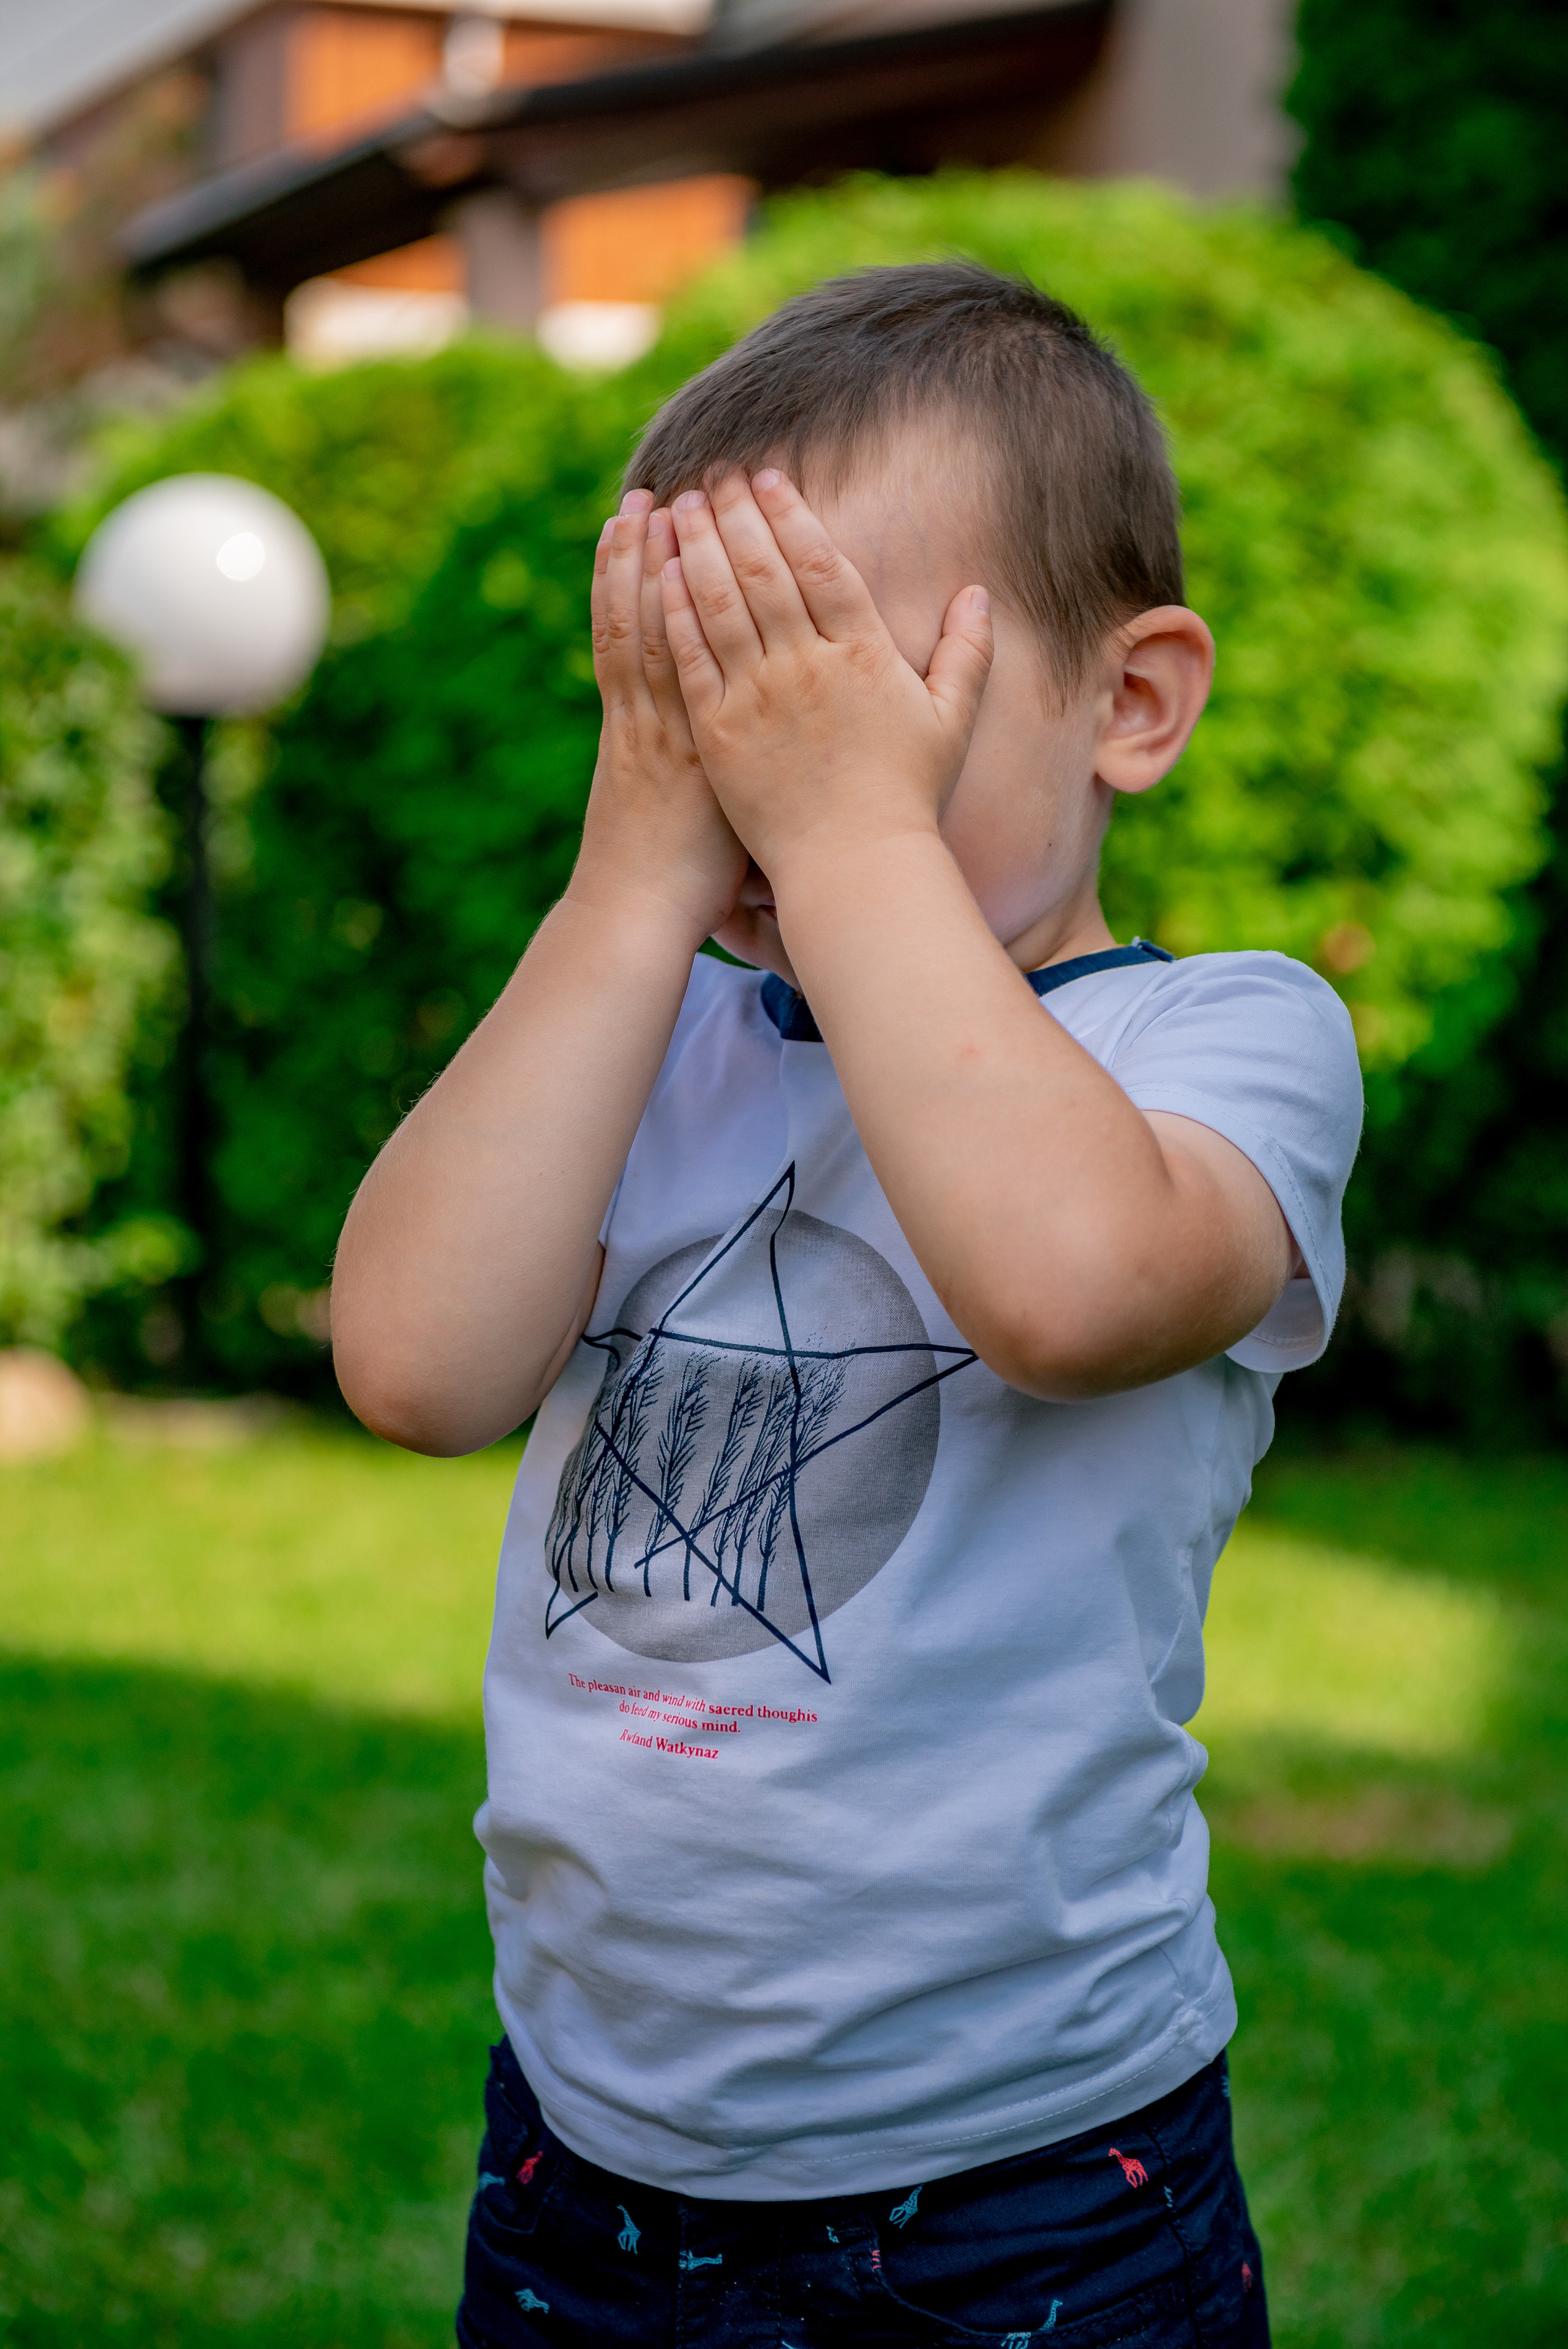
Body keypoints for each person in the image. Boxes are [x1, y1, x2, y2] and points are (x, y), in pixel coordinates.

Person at [331, 262, 1363, 2347]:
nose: (773, 772)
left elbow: (1068, 1285)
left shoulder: (1226, 1042)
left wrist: (845, 823)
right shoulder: (656, 1040)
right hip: (589, 2150)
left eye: (845, 689)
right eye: (714, 700)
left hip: (1025, 2178)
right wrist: (634, 880)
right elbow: (417, 1366)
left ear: (1131, 704)